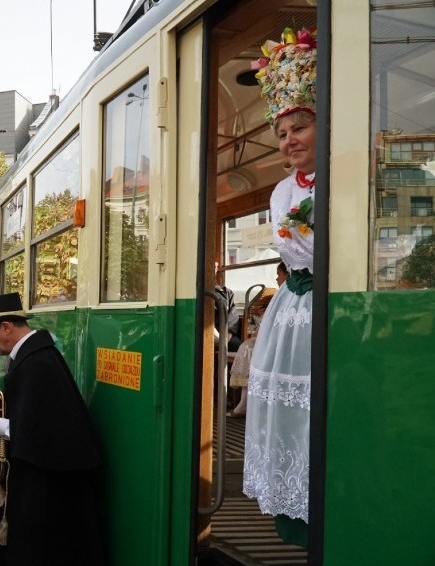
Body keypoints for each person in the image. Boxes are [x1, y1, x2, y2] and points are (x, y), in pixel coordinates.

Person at [243, 27, 317, 548]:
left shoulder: (342, 175)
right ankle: (295, 513)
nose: (288, 140)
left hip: (323, 306)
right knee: (291, 409)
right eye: (282, 132)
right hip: (294, 309)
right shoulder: (281, 191)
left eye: (299, 127)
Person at [0, 292, 104, 566]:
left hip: (50, 485)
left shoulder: (35, 363)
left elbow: (37, 431)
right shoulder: (36, 357)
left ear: (7, 327)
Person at [226, 288, 275, 418]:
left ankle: (244, 403)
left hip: (271, 343)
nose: (276, 278)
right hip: (262, 342)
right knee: (246, 347)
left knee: (247, 348)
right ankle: (242, 401)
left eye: (278, 274)